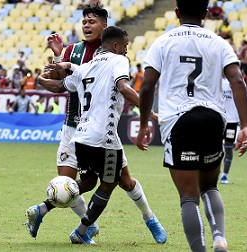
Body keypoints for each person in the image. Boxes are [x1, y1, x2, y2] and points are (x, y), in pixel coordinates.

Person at [25, 4, 167, 245]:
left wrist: (51, 74)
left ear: (104, 27)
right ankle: (83, 230)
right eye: (125, 46)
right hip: (102, 135)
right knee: (109, 183)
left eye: (92, 21)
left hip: (82, 135)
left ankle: (45, 209)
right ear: (116, 45)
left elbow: (64, 83)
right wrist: (149, 113)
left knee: (95, 182)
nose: (127, 50)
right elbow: (123, 87)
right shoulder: (114, 59)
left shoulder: (87, 66)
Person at [136, 0, 247, 251]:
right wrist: (245, 125)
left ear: (177, 12)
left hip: (179, 121)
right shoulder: (219, 43)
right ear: (206, 13)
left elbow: (147, 86)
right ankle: (219, 238)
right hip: (212, 119)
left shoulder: (163, 42)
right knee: (209, 185)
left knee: (189, 196)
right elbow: (237, 81)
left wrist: (144, 123)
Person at [220, 76, 243, 185]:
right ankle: (212, 173)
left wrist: (241, 119)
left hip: (232, 121)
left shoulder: (238, 82)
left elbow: (242, 101)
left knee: (228, 148)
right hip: (219, 119)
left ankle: (224, 175)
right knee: (214, 148)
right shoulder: (218, 82)